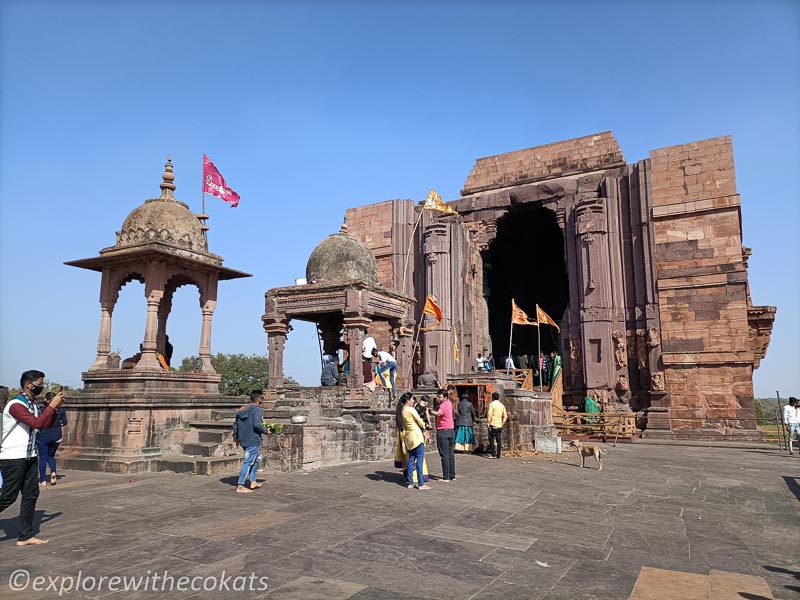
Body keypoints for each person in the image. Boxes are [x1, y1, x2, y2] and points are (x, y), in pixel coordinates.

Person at [0, 370, 65, 546]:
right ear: (28, 384)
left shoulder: (34, 404)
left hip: (30, 456)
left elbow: (43, 425)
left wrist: (54, 410)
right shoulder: (16, 405)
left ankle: (25, 535)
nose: (41, 387)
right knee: (8, 496)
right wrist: (51, 406)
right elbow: (35, 423)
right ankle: (25, 534)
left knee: (31, 494)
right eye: (38, 384)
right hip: (13, 457)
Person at [232, 390, 269, 493]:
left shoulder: (242, 410)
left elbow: (235, 425)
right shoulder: (257, 410)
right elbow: (257, 425)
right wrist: (266, 431)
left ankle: (253, 481)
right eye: (262, 398)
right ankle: (240, 485)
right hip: (253, 439)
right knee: (248, 462)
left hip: (243, 438)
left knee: (253, 460)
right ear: (259, 399)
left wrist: (236, 438)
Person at [394, 393, 429, 485]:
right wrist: (425, 426)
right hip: (416, 436)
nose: (413, 401)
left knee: (411, 459)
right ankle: (421, 483)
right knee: (419, 459)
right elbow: (419, 421)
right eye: (412, 399)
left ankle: (410, 482)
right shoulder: (410, 409)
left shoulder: (402, 410)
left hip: (409, 436)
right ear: (408, 400)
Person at [37, 392, 68, 487]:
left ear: (47, 400)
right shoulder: (61, 410)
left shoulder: (42, 409)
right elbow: (65, 422)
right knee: (51, 456)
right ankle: (53, 472)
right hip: (56, 436)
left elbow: (38, 421)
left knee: (43, 458)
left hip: (44, 435)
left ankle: (42, 480)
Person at [428, 388, 456, 481]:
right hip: (451, 430)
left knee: (444, 455)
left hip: (443, 431)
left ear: (444, 397)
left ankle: (446, 476)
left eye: (440, 397)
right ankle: (452, 475)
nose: (438, 398)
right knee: (450, 454)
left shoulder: (443, 405)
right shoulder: (449, 403)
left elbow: (439, 413)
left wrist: (430, 411)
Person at [486, 392, 508, 459]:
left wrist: (488, 422)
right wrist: (503, 422)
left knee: (491, 439)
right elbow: (505, 416)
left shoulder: (492, 404)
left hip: (492, 424)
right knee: (499, 440)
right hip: (499, 425)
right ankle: (499, 454)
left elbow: (489, 414)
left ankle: (493, 454)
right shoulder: (502, 405)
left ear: (493, 398)